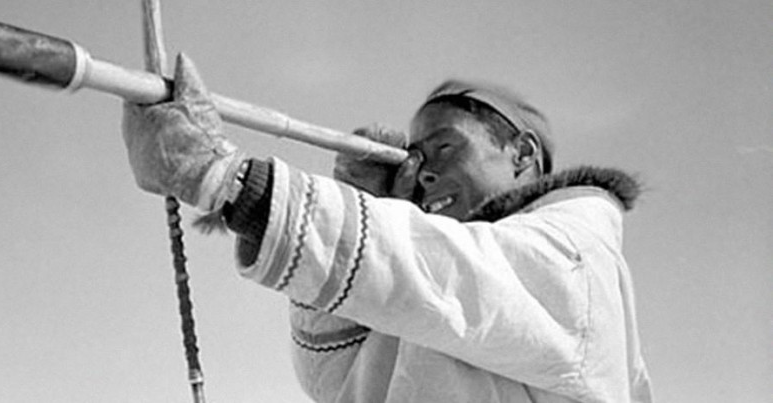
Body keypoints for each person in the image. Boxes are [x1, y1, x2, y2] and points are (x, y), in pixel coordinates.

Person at [121, 53, 653, 402]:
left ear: (521, 154)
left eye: (445, 147)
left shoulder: (573, 247)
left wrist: (229, 181)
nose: (424, 172)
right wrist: (361, 208)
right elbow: (335, 384)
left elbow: (445, 271)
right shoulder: (437, 306)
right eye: (415, 158)